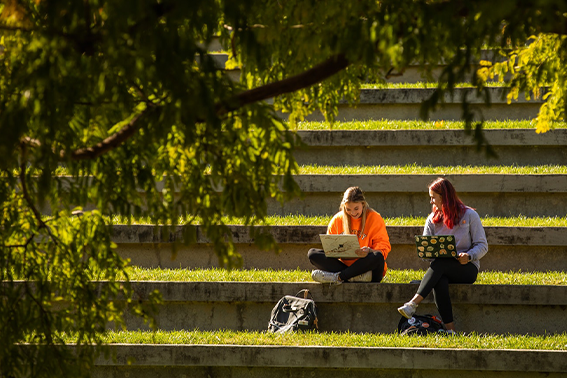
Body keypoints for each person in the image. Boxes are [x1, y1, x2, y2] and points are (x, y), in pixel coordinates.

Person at [397, 177, 488, 333]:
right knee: (440, 278)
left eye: (433, 197)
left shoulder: (470, 215)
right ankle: (450, 330)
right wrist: (428, 252)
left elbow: (482, 245)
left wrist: (469, 256)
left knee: (440, 264)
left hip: (466, 268)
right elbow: (426, 253)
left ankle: (413, 303)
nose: (431, 202)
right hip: (441, 268)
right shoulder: (432, 220)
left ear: (445, 197)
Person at [308, 186, 391, 284]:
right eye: (348, 209)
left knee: (377, 257)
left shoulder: (375, 218)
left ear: (363, 204)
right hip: (345, 266)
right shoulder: (337, 219)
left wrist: (369, 251)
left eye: (356, 208)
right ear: (343, 206)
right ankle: (352, 276)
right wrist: (337, 251)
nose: (353, 213)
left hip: (367, 268)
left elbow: (383, 250)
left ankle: (338, 277)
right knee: (312, 254)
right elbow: (329, 249)